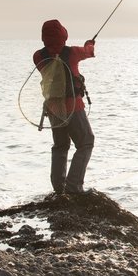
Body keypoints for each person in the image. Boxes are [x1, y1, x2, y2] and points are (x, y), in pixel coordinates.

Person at [33, 19, 96, 194]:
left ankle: (59, 188)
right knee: (86, 142)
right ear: (63, 34)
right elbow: (88, 52)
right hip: (74, 107)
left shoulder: (38, 56)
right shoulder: (73, 53)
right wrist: (89, 44)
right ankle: (74, 186)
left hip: (53, 109)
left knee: (60, 146)